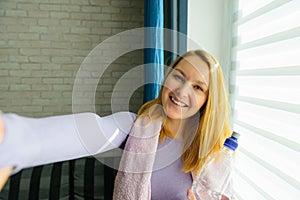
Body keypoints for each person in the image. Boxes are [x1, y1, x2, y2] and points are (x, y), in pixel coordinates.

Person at [0, 50, 232, 199]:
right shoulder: (134, 126)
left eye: (198, 87)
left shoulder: (215, 157)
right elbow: (89, 131)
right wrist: (13, 138)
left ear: (208, 101)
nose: (182, 91)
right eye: (178, 76)